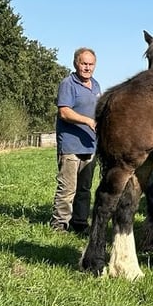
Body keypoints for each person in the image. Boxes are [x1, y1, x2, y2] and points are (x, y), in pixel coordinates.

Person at [50, 47, 101, 234]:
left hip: (90, 145)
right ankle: (59, 225)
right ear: (76, 63)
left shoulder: (95, 85)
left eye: (91, 64)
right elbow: (64, 111)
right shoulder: (68, 84)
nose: (87, 68)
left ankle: (80, 223)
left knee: (85, 189)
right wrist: (87, 120)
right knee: (68, 188)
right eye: (83, 63)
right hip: (71, 145)